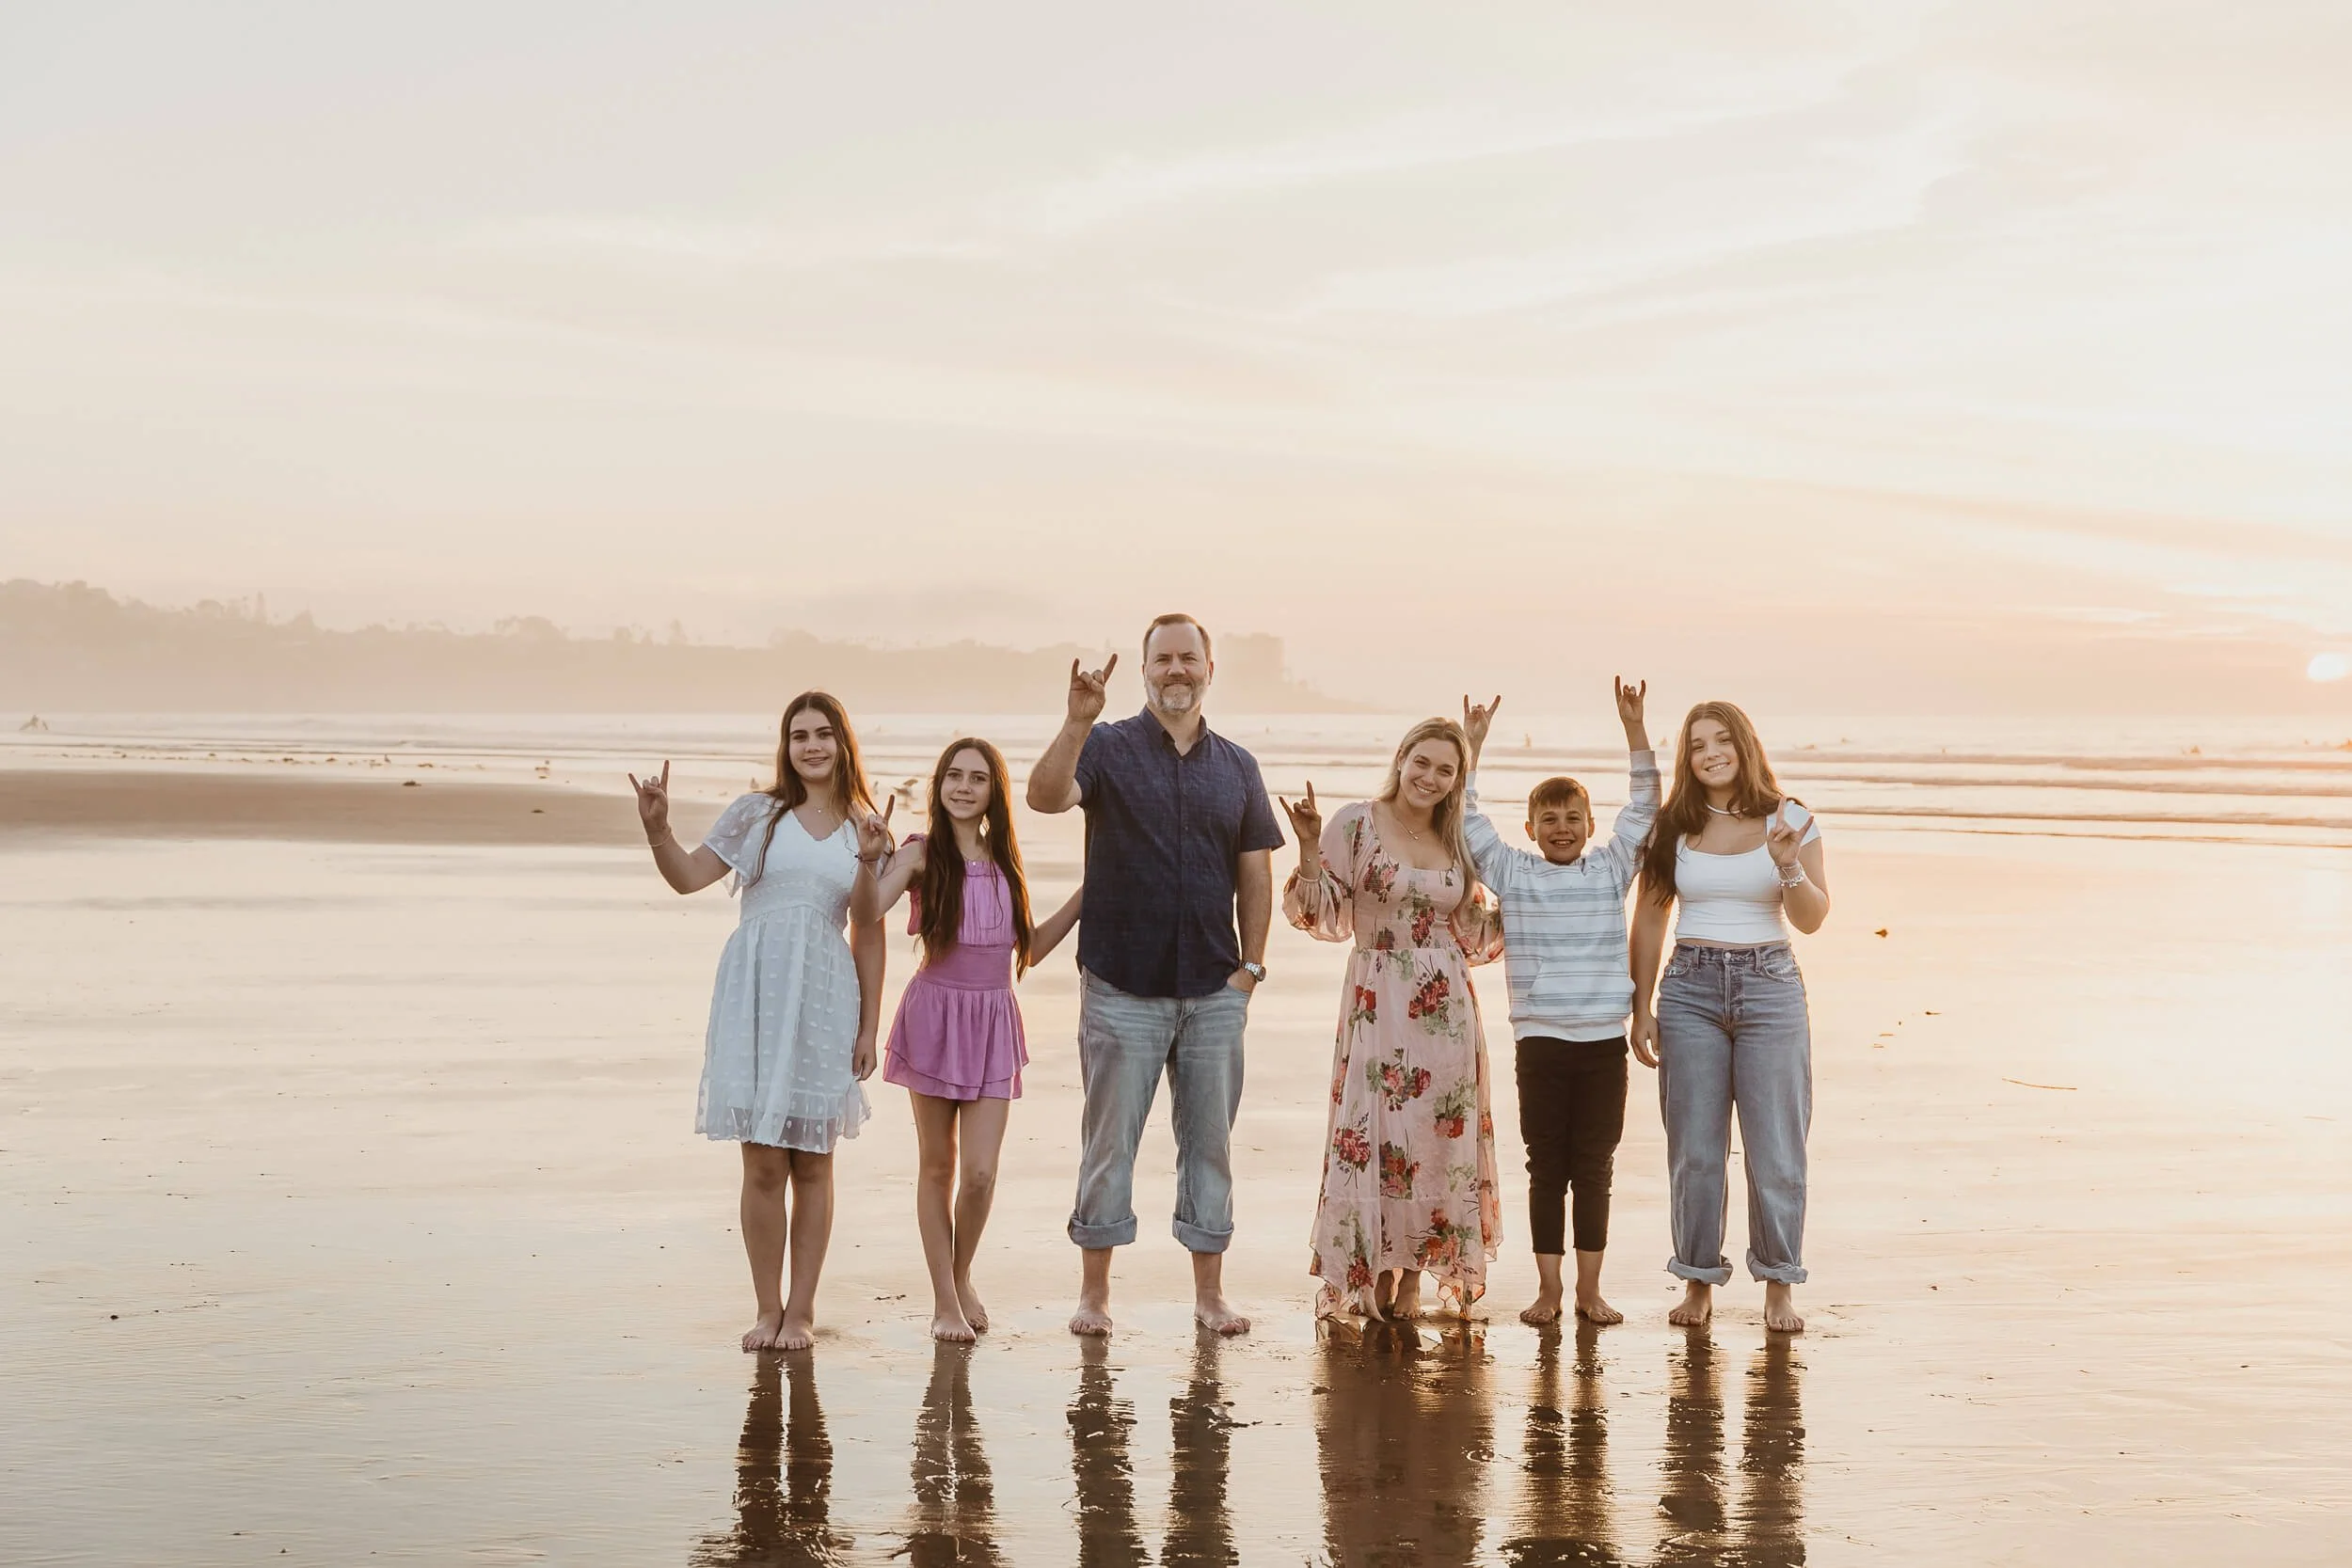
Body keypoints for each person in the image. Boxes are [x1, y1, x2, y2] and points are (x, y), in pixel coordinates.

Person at [1026, 613, 1284, 1338]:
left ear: (1210, 669)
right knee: (1109, 1144)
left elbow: (1256, 871)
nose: (1176, 670)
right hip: (1121, 985)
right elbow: (1043, 797)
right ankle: (1095, 1296)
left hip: (1213, 989)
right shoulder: (1105, 748)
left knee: (1210, 1146)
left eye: (1188, 659)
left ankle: (1209, 1296)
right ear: (1144, 669)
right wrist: (1077, 720)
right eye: (1163, 659)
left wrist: (1252, 968)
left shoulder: (1238, 767)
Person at [629, 692, 885, 1352]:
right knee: (764, 1163)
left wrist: (868, 1028)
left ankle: (801, 1311)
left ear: (842, 742)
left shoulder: (866, 825)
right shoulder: (757, 814)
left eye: (824, 734)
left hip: (827, 997)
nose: (812, 746)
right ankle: (767, 1307)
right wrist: (659, 828)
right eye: (799, 734)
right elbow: (687, 876)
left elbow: (870, 928)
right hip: (756, 996)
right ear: (786, 744)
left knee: (815, 1163)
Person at [855, 737, 1083, 1343]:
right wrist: (867, 858)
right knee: (938, 1167)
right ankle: (945, 1301)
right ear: (939, 788)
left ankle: (960, 1277)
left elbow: (1027, 950)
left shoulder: (1006, 863)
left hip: (993, 1022)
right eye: (953, 776)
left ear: (993, 794)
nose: (962, 786)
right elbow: (868, 909)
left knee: (980, 1174)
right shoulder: (920, 856)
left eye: (977, 778)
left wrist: (1088, 895)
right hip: (934, 1018)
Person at [1281, 717, 1504, 1320]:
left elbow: (1478, 929)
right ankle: (1370, 1269)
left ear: (1457, 780)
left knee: (1435, 1140)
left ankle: (1409, 1279)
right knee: (1374, 1134)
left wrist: (1550, 895)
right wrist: (1306, 849)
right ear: (1402, 758)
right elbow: (1315, 911)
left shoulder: (1459, 839)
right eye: (1422, 762)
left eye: (1446, 770)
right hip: (1377, 999)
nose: (1429, 778)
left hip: (1446, 1006)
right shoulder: (1357, 822)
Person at [1459, 679, 1659, 1328]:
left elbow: (1646, 807)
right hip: (1541, 1042)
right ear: (1531, 829)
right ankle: (1548, 1288)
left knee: (1594, 1167)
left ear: (1591, 825)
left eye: (1574, 818)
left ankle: (1589, 1290)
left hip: (1603, 1043)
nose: (1563, 828)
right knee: (1547, 1167)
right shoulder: (1515, 872)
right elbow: (1466, 824)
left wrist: (1634, 728)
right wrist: (1472, 745)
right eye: (1550, 819)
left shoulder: (1609, 869)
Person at [1629, 702, 1831, 1333]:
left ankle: (1778, 1283)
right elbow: (1652, 916)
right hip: (1689, 988)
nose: (1710, 752)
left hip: (1770, 988)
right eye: (1696, 745)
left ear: (1745, 744)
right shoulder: (1673, 825)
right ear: (1687, 758)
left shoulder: (1790, 816)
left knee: (1776, 1147)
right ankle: (1696, 1281)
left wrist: (1787, 863)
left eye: (1721, 740)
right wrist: (1641, 1006)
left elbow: (1812, 916)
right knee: (1695, 1149)